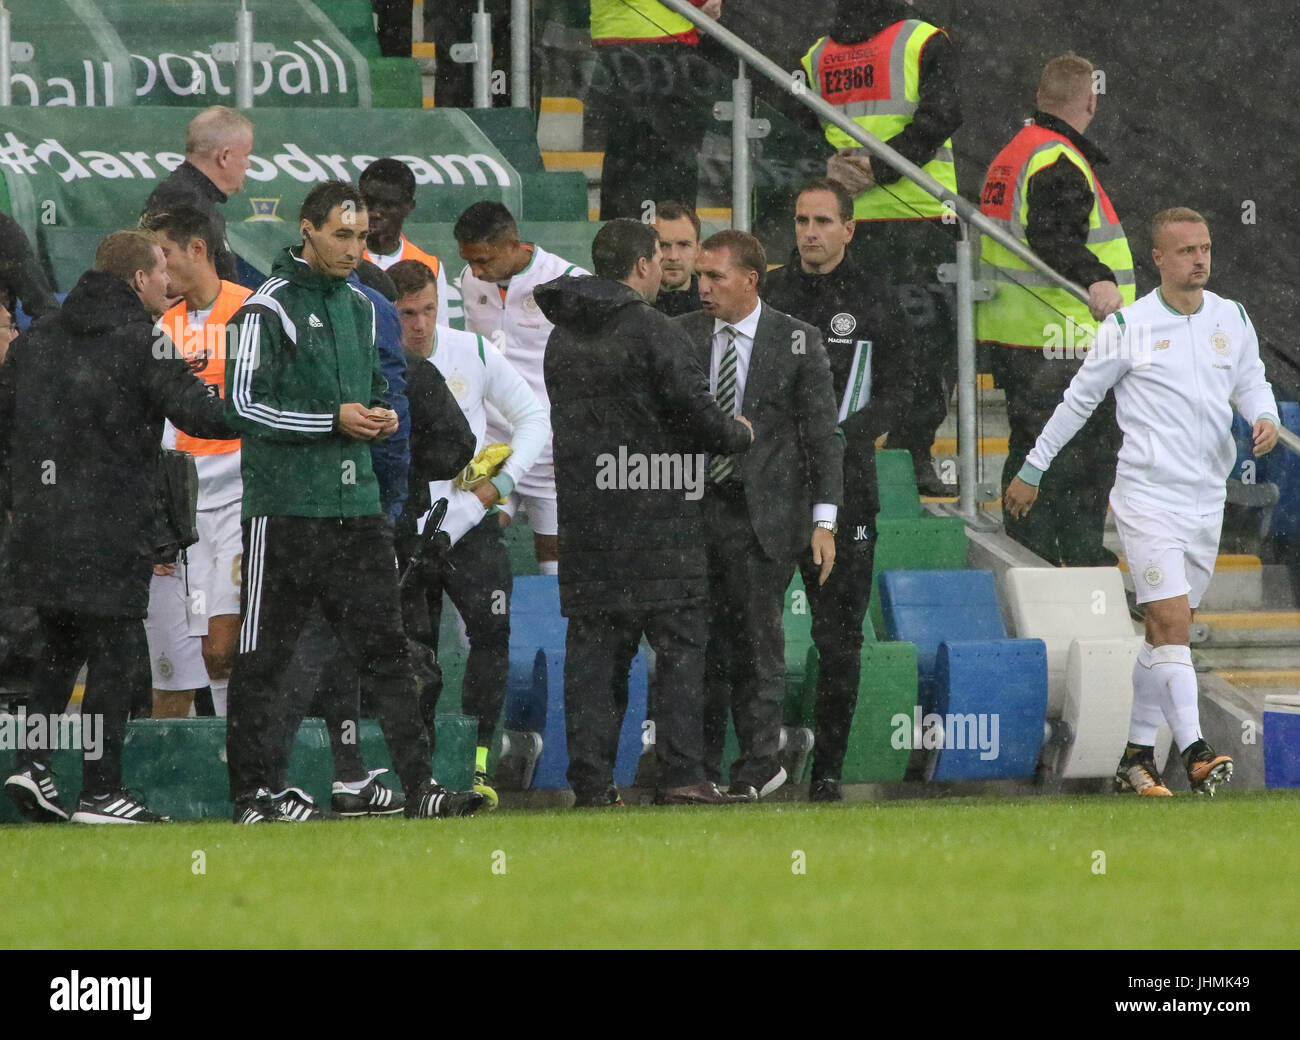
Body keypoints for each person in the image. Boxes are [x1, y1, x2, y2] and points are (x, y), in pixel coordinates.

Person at [222, 180, 483, 823]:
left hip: (359, 508)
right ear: (306, 229)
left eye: (362, 237)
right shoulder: (264, 309)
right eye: (342, 234)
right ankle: (253, 794)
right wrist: (331, 421)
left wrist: (384, 422)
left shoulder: (369, 308)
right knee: (264, 659)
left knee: (389, 656)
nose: (354, 247)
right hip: (284, 512)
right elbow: (242, 405)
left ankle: (420, 788)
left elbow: (376, 392)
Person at [1004, 207, 1279, 797]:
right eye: (1185, 251)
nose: (1199, 259)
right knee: (1173, 623)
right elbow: (1079, 400)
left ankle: (1134, 755)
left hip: (1208, 498)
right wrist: (1032, 468)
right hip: (1147, 496)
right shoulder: (1129, 326)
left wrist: (1265, 415)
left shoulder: (1232, 317)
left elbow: (1251, 379)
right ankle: (1197, 750)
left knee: (1164, 633)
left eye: (1205, 248)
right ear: (1158, 259)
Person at [1, 230, 231, 824]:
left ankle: (33, 765)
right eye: (161, 273)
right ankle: (102, 791)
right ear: (138, 281)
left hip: (39, 527)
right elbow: (202, 415)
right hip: (109, 526)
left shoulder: (37, 337)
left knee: (59, 647)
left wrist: (20, 501)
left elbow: (5, 428)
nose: (169, 283)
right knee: (117, 651)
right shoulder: (143, 342)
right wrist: (256, 396)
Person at [536, 219, 755, 806]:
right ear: (640, 265)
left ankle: (591, 781)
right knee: (682, 648)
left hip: (587, 519)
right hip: (661, 515)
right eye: (659, 259)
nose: (664, 269)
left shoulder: (562, 335)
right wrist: (738, 432)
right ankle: (683, 775)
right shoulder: (653, 329)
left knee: (594, 655)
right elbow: (700, 417)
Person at [674, 230, 843, 801]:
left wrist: (825, 523)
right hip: (694, 513)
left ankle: (759, 765)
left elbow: (823, 435)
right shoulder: (682, 335)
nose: (703, 287)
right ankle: (694, 770)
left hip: (763, 517)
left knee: (755, 643)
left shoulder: (797, 340)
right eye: (700, 275)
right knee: (698, 645)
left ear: (751, 280)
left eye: (715, 277)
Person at [763, 178, 913, 801]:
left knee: (838, 638)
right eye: (801, 220)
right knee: (753, 629)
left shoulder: (877, 300)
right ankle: (756, 766)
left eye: (823, 221)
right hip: (770, 493)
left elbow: (910, 387)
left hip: (848, 493)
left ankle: (827, 772)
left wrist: (853, 434)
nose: (810, 232)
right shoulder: (768, 292)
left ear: (849, 229)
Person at [385, 257, 548, 809]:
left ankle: (479, 762)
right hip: (405, 528)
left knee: (492, 637)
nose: (420, 324)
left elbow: (533, 416)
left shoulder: (473, 351)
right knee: (415, 651)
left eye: (429, 309)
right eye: (407, 313)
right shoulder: (376, 365)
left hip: (471, 523)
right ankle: (420, 774)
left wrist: (497, 487)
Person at [979, 53, 1135, 567]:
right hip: (1059, 336)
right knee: (1082, 455)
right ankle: (1071, 559)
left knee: (1036, 449)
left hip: (1018, 330)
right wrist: (1098, 277)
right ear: (1090, 100)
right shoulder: (1057, 158)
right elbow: (1051, 236)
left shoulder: (1015, 153)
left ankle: (1037, 558)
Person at [800, 0, 962, 496]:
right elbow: (943, 116)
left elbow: (801, 124)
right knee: (929, 346)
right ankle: (911, 455)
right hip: (920, 215)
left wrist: (843, 170)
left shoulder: (815, 54)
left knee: (846, 342)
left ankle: (842, 451)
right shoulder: (924, 38)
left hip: (849, 223)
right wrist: (885, 166)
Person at [138, 208, 250, 720]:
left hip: (238, 505)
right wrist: (159, 518)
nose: (160, 270)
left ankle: (242, 775)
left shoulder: (250, 314)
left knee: (222, 649)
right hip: (183, 512)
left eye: (165, 255)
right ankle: (183, 782)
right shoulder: (163, 328)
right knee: (174, 667)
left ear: (198, 250)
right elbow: (155, 427)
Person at [454, 201, 589, 575]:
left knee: (553, 556)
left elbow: (591, 365)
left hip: (549, 445)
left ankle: (555, 633)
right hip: (492, 443)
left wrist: (575, 433)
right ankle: (484, 629)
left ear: (513, 244)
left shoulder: (568, 281)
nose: (476, 271)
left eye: (484, 260)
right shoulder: (469, 279)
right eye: (470, 261)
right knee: (474, 535)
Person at [587, 0, 728, 219]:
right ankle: (639, 243)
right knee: (652, 166)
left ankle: (655, 243)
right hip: (645, 47)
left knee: (662, 165)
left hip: (657, 47)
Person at [141, 106, 254, 283]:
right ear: (224, 156)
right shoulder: (184, 200)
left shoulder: (192, 197)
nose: (248, 164)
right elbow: (172, 282)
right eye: (246, 155)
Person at [359, 158, 453, 327]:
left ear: (409, 207)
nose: (375, 213)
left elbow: (437, 333)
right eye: (369, 202)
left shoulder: (430, 266)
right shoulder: (342, 258)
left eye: (388, 205)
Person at [652, 200, 703, 317]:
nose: (673, 257)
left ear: (698, 250)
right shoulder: (628, 308)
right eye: (663, 245)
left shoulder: (715, 308)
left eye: (683, 245)